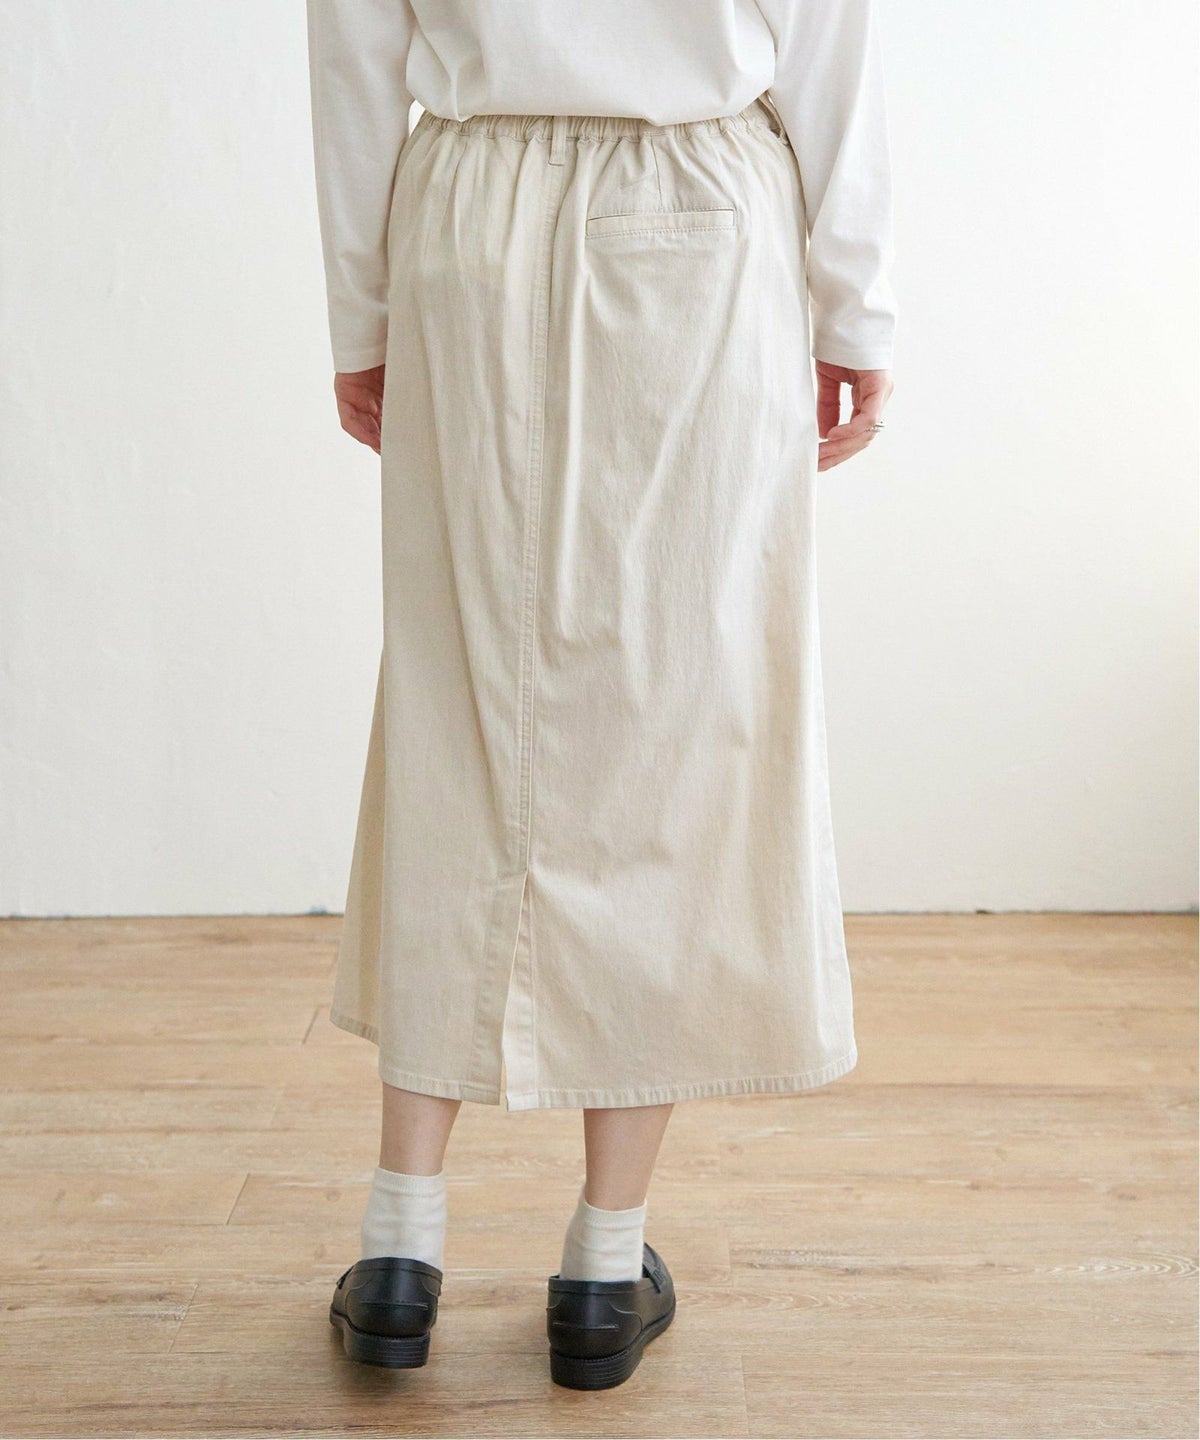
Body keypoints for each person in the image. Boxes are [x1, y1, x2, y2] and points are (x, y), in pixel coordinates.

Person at [305, 0, 897, 1392]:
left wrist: (363, 311)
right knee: (673, 728)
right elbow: (833, 53)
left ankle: (400, 1245)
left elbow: (353, 58)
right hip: (697, 216)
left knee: (458, 712)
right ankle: (600, 1265)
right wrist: (857, 304)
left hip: (469, 222)